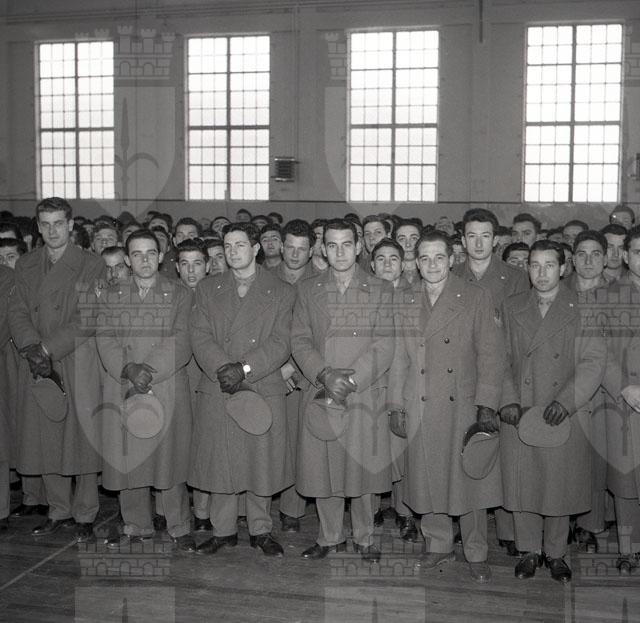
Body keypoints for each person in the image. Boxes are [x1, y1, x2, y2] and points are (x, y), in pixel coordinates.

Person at [388, 229, 504, 583]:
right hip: (420, 402)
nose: (432, 265)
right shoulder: (405, 299)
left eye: (439, 257)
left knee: (469, 480)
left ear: (452, 259)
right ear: (416, 262)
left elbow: (491, 355)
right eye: (424, 258)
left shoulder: (475, 296)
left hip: (462, 404)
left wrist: (486, 404)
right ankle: (437, 543)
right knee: (427, 476)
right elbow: (400, 357)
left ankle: (476, 551)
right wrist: (396, 404)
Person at [499, 240, 606, 583]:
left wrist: (568, 400)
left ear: (563, 268)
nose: (541, 272)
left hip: (564, 411)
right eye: (534, 265)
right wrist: (508, 399)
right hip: (523, 408)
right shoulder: (512, 305)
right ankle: (529, 550)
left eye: (549, 265)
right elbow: (499, 358)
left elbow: (593, 361)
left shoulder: (583, 307)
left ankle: (557, 553)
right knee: (524, 483)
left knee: (559, 485)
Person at [189, 222, 295, 557]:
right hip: (220, 383)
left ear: (256, 248)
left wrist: (244, 368)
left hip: (259, 382)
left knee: (260, 461)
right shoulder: (208, 288)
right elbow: (199, 335)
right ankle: (223, 530)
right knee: (221, 461)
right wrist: (224, 368)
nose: (233, 252)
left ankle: (261, 530)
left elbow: (282, 341)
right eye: (227, 246)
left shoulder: (281, 290)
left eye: (240, 245)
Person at [292, 219, 394, 563]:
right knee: (324, 468)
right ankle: (329, 536)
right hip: (322, 390)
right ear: (323, 249)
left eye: (346, 244)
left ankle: (365, 538)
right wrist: (323, 374)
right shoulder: (308, 289)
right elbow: (299, 339)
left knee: (360, 470)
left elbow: (385, 343)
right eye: (332, 245)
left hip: (361, 392)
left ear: (359, 246)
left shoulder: (380, 289)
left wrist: (349, 381)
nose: (339, 252)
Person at [8, 197, 104, 543]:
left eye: (59, 224)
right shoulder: (27, 264)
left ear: (71, 225)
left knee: (80, 440)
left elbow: (88, 317)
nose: (52, 231)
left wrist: (47, 348)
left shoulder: (91, 264)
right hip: (36, 361)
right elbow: (17, 310)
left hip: (74, 359)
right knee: (45, 436)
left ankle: (85, 513)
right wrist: (31, 346)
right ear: (37, 227)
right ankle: (58, 509)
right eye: (45, 224)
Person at [96, 230, 195, 552]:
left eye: (151, 253)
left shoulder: (179, 293)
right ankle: (137, 524)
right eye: (137, 254)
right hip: (125, 384)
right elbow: (104, 338)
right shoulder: (111, 296)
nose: (144, 260)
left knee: (170, 459)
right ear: (127, 259)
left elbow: (182, 338)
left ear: (161, 256)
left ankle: (179, 525)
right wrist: (128, 369)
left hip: (165, 384)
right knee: (130, 458)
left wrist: (147, 371)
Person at [453, 208, 530, 556]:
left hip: (506, 376)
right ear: (462, 240)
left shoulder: (515, 278)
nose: (479, 243)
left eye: (485, 236)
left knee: (509, 459)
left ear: (496, 239)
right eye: (472, 236)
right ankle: (467, 527)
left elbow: (519, 337)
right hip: (464, 380)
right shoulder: (452, 274)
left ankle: (509, 530)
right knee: (473, 454)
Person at [369, 238, 419, 542]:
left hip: (406, 386)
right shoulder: (363, 296)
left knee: (404, 452)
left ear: (404, 264)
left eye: (393, 259)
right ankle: (372, 507)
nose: (387, 264)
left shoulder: (416, 297)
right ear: (371, 263)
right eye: (381, 259)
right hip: (372, 384)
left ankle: (405, 513)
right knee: (372, 450)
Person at [272, 219, 318, 531]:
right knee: (272, 442)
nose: (295, 254)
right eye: (290, 247)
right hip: (270, 372)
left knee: (300, 445)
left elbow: (320, 336)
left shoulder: (321, 282)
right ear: (280, 246)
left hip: (303, 375)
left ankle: (292, 509)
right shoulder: (264, 279)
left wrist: (294, 368)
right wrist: (275, 368)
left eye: (302, 249)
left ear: (312, 251)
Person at [601, 225, 640, 573]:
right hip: (624, 400)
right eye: (639, 252)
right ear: (626, 256)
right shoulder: (607, 297)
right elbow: (596, 350)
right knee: (626, 480)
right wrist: (624, 387)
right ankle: (629, 549)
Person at [394, 218, 422, 284]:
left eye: (414, 238)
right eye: (402, 239)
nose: (408, 244)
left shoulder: (432, 271)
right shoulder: (387, 273)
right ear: (395, 243)